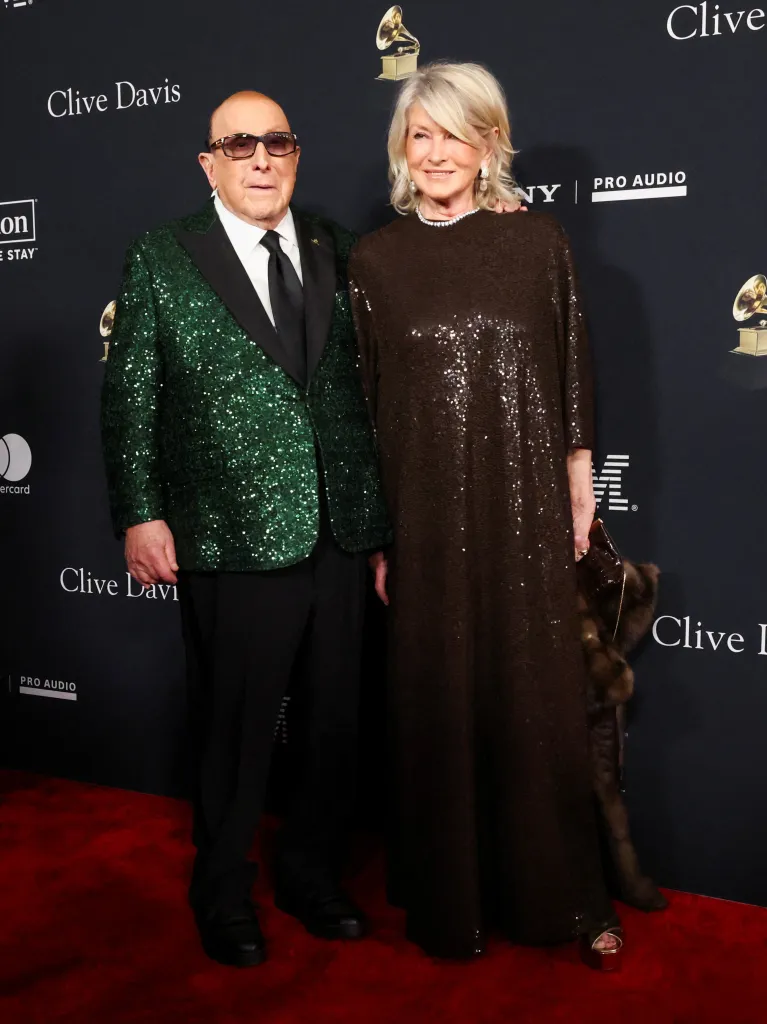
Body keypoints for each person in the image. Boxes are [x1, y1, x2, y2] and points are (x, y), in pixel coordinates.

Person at [101, 91, 391, 968]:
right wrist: (139, 511)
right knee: (235, 726)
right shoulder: (163, 253)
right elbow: (129, 393)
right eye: (240, 145)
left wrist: (492, 211)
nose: (261, 159)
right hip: (228, 531)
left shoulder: (337, 246)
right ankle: (221, 888)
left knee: (335, 722)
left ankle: (310, 874)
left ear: (295, 154)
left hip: (340, 527)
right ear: (209, 163)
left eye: (277, 142)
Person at [349, 62, 623, 967]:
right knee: (436, 699)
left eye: (453, 134)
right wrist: (380, 536)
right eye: (418, 135)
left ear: (488, 144)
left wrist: (577, 495)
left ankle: (552, 896)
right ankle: (448, 902)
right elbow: (365, 405)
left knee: (531, 694)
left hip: (521, 509)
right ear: (402, 148)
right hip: (421, 517)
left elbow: (570, 374)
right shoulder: (375, 260)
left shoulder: (537, 243)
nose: (435, 153)